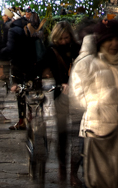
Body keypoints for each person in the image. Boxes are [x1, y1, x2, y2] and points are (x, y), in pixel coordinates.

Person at [72, 22, 118, 188]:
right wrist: (103, 106)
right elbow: (79, 96)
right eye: (110, 39)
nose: (114, 44)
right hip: (96, 132)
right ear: (100, 41)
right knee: (98, 181)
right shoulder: (87, 62)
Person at [42, 21, 81, 184]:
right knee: (62, 134)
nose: (65, 41)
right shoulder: (51, 51)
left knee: (78, 136)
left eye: (67, 38)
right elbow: (43, 68)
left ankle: (73, 172)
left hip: (78, 94)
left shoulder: (76, 49)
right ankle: (62, 170)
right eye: (62, 38)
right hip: (60, 94)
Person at [0, 9, 38, 130]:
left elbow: (10, 47)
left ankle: (22, 120)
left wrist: (2, 52)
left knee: (20, 93)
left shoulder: (13, 30)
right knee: (29, 90)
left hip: (18, 65)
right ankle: (31, 117)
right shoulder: (28, 28)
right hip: (31, 64)